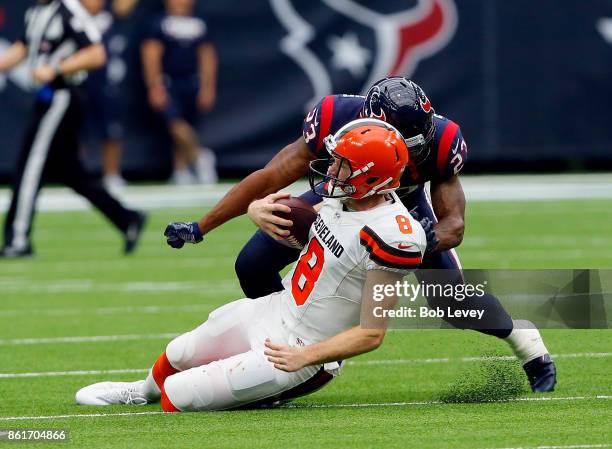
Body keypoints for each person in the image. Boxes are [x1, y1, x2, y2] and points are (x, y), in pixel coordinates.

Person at [163, 77, 557, 392]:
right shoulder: (335, 117)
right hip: (343, 194)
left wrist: (420, 240)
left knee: (448, 300)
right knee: (252, 264)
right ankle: (290, 346)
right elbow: (272, 175)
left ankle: (527, 344)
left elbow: (454, 223)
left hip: (403, 214)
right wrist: (201, 227)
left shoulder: (441, 141)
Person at [75, 119, 427, 411]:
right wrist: (256, 210)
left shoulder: (393, 235)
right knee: (180, 351)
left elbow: (372, 333)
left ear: (370, 177)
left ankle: (263, 393)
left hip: (301, 346)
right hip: (275, 309)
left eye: (342, 165)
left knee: (178, 397)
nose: (331, 169)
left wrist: (305, 356)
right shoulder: (345, 199)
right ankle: (140, 390)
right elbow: (309, 232)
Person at [0, 0, 146, 258]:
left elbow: (96, 54)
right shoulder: (36, 11)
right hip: (47, 97)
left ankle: (17, 239)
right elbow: (23, 47)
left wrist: (56, 68)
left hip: (61, 95)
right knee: (69, 172)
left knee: (30, 165)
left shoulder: (69, 10)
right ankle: (126, 218)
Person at [140, 0, 218, 185]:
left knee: (188, 122)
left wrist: (208, 86)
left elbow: (207, 55)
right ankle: (200, 156)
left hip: (192, 81)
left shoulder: (199, 23)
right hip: (168, 81)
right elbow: (150, 55)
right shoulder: (158, 23)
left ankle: (181, 169)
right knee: (174, 123)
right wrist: (154, 85)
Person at [80, 0, 140, 191]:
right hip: (79, 79)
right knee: (77, 131)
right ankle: (80, 176)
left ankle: (111, 174)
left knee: (112, 130)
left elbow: (124, 6)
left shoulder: (111, 14)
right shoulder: (74, 16)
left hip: (107, 82)